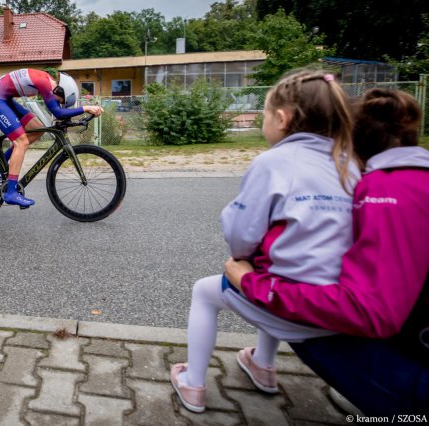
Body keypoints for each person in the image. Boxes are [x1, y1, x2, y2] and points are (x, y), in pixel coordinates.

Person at [224, 88, 429, 416]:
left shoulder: (385, 190)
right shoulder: (414, 178)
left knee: (299, 315)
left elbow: (372, 312)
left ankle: (387, 402)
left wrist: (256, 285)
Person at [169, 68, 360, 413]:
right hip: (337, 303)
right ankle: (263, 364)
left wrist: (240, 260)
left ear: (283, 119)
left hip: (289, 304)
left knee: (206, 290)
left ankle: (193, 382)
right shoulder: (350, 163)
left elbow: (242, 232)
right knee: (274, 266)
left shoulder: (274, 163)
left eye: (266, 114)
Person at [0, 68, 103, 207]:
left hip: (4, 99)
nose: (57, 102)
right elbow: (58, 113)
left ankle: (1, 164)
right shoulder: (44, 83)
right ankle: (10, 192)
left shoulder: (47, 82)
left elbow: (59, 112)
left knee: (37, 128)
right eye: (60, 100)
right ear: (59, 91)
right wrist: (85, 108)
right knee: (21, 142)